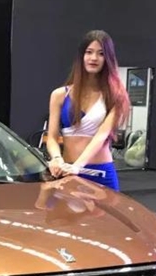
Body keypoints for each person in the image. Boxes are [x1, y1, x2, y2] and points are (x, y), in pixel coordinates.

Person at [46, 30, 130, 190]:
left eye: (101, 54)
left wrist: (78, 166)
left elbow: (101, 136)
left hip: (100, 173)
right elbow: (52, 138)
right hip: (67, 171)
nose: (94, 58)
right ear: (81, 56)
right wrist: (56, 158)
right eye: (89, 52)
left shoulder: (116, 96)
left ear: (108, 58)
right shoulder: (59, 95)